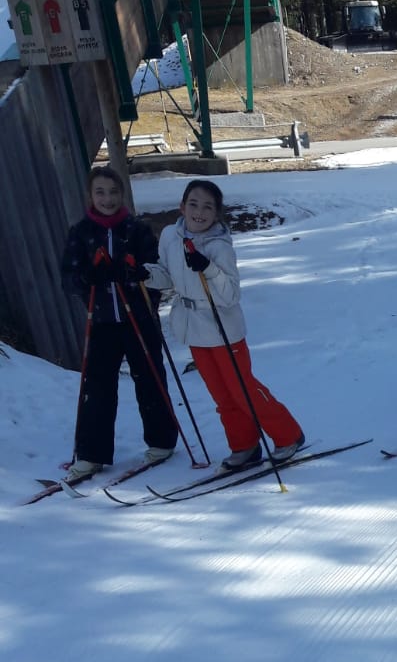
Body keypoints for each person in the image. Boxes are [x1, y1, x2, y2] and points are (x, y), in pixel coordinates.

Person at [146, 179, 305, 471]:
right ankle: (244, 446)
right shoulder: (170, 236)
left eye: (208, 207)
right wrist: (142, 274)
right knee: (221, 395)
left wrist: (207, 267)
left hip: (223, 330)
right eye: (193, 204)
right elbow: (168, 276)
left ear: (217, 214)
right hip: (194, 329)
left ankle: (289, 435)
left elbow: (231, 295)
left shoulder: (219, 247)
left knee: (243, 390)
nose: (199, 211)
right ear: (182, 207)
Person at [58, 165, 177, 483]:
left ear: (122, 194)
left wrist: (134, 277)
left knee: (150, 379)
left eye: (113, 192)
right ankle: (91, 454)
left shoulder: (137, 230)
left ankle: (162, 441)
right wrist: (87, 277)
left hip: (137, 318)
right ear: (90, 196)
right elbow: (68, 277)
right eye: (100, 192)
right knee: (96, 388)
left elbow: (154, 271)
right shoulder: (81, 232)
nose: (107, 198)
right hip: (100, 320)